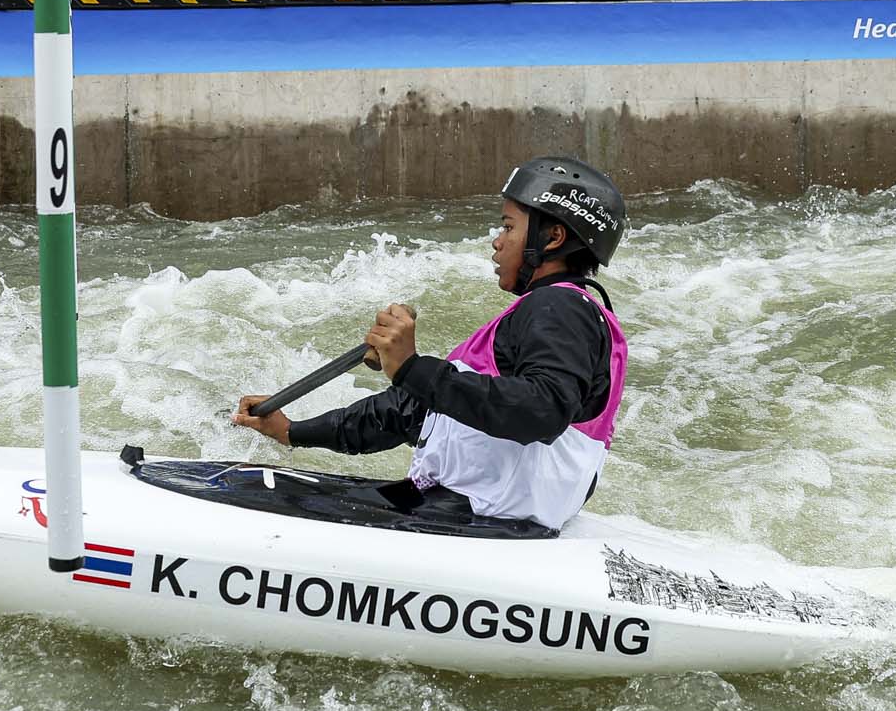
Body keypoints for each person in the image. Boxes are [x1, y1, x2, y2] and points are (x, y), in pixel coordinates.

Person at [232, 157, 630, 537]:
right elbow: (410, 412)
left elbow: (542, 411)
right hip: (465, 512)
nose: (496, 242)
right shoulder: (547, 315)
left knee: (251, 506)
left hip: (486, 523)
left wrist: (410, 367)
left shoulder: (559, 307)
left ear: (553, 237)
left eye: (508, 227)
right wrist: (293, 432)